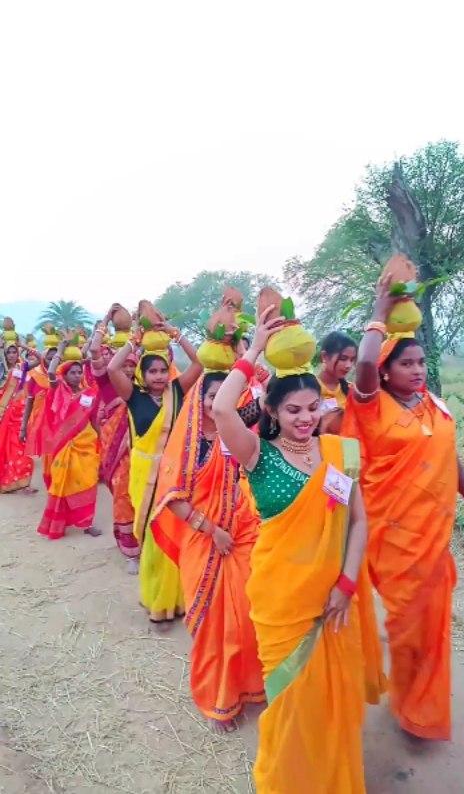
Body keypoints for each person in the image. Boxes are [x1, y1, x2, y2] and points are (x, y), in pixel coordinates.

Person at [213, 308, 385, 793]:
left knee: (332, 704)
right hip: (282, 604)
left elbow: (359, 522)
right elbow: (223, 410)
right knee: (291, 705)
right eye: (293, 410)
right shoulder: (257, 456)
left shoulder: (338, 455)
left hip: (333, 601)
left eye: (313, 408)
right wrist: (252, 351)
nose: (306, 418)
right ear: (272, 410)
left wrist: (347, 586)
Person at [345, 274, 464, 741]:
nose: (418, 370)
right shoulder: (370, 406)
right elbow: (362, 361)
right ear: (384, 371)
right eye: (407, 363)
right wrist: (380, 311)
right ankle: (410, 708)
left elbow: (450, 458)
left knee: (432, 627)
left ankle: (424, 708)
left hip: (434, 537)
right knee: (408, 630)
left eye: (422, 361)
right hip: (395, 539)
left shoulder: (435, 405)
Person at [151, 372, 265, 730]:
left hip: (244, 535)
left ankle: (249, 685)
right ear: (199, 401)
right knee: (214, 628)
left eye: (223, 397)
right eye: (210, 397)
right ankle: (219, 700)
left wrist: (259, 348)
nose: (217, 405)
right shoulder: (189, 443)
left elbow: (269, 400)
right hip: (206, 542)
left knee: (248, 617)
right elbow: (173, 499)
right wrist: (213, 530)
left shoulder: (236, 430)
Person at [107, 320, 202, 627]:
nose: (159, 377)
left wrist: (177, 333)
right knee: (152, 535)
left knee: (174, 532)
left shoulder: (177, 390)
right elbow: (112, 368)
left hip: (173, 474)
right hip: (143, 475)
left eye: (163, 370)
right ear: (142, 374)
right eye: (153, 371)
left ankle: (177, 599)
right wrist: (134, 341)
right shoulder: (132, 395)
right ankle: (155, 599)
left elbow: (200, 363)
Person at [37, 338, 102, 539]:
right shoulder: (58, 391)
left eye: (79, 372)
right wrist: (61, 349)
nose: (76, 375)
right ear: (64, 375)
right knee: (62, 482)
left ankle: (86, 522)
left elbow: (94, 419)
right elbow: (50, 372)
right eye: (72, 372)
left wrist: (102, 440)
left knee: (88, 481)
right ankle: (60, 522)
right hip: (63, 445)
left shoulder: (90, 393)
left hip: (87, 444)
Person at [88, 322, 140, 572]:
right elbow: (95, 355)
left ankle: (146, 546)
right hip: (118, 458)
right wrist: (103, 326)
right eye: (125, 365)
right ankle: (130, 552)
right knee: (123, 497)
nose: (128, 370)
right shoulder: (108, 389)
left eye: (132, 365)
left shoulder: (142, 391)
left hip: (141, 455)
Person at [20, 347, 58, 488]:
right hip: (43, 424)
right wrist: (23, 427)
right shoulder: (35, 376)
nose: (53, 361)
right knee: (49, 455)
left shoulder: (66, 375)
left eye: (56, 358)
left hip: (62, 422)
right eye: (49, 358)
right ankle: (53, 482)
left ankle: (61, 482)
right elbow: (29, 403)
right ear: (43, 359)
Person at [0, 343, 35, 494]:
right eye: (9, 353)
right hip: (10, 414)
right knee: (12, 450)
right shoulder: (6, 372)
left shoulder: (24, 367)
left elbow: (40, 360)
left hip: (23, 413)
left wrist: (25, 347)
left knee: (24, 448)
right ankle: (13, 482)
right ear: (6, 356)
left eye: (15, 352)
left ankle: (24, 482)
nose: (12, 355)